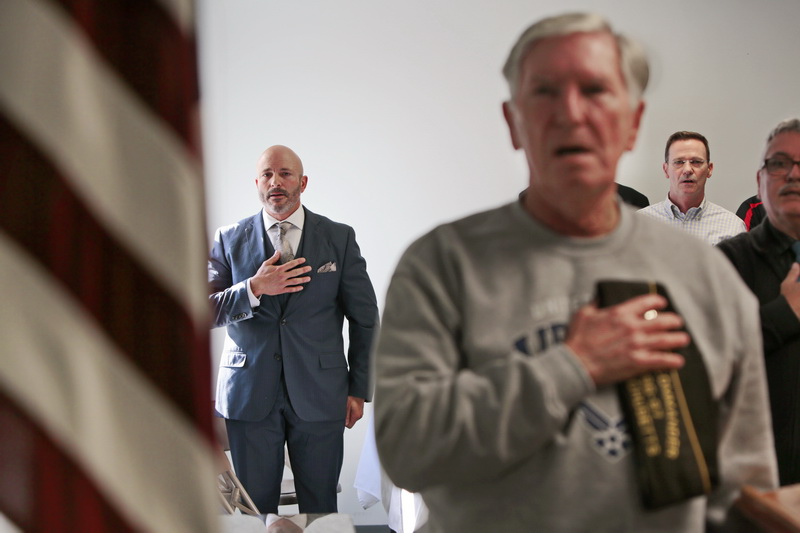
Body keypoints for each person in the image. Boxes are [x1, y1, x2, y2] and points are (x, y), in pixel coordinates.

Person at [373, 12, 777, 533]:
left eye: (595, 91)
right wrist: (573, 366)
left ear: (632, 123)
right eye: (544, 92)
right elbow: (408, 450)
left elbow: (744, 490)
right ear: (514, 121)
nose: (571, 112)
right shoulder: (442, 267)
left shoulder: (707, 275)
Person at [209, 145, 378, 513]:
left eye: (285, 173)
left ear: (302, 182)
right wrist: (253, 288)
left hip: (322, 393)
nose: (276, 182)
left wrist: (359, 389)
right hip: (249, 395)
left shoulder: (339, 237)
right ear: (257, 183)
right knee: (257, 512)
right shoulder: (229, 239)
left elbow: (365, 318)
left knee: (319, 509)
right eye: (267, 175)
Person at [717, 118, 800, 486]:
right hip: (754, 486)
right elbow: (703, 362)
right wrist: (783, 315)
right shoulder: (725, 263)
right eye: (778, 163)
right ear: (759, 181)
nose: (793, 175)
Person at [638, 131, 745, 244]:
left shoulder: (732, 227)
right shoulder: (639, 224)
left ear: (709, 169)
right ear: (666, 169)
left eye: (696, 162)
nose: (687, 170)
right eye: (679, 162)